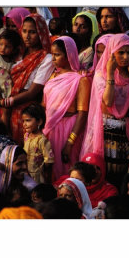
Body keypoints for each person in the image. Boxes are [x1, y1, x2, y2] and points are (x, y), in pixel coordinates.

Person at [81, 33, 129, 187]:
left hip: (127, 134)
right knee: (104, 174)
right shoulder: (101, 74)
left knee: (123, 177)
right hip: (105, 134)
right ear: (111, 53)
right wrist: (110, 73)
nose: (126, 56)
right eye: (121, 52)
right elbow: (108, 102)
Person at [0, 13, 54, 144]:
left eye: (32, 32)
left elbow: (32, 92)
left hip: (24, 111)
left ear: (41, 33)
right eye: (24, 31)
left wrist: (1, 103)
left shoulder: (46, 58)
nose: (27, 36)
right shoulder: (15, 52)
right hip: (2, 106)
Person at [42, 37, 90, 180]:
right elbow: (44, 104)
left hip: (69, 129)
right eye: (52, 54)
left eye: (57, 55)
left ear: (69, 55)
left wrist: (70, 142)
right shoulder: (53, 76)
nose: (53, 59)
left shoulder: (81, 79)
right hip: (50, 127)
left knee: (66, 171)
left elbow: (83, 113)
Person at [22, 104, 54, 184]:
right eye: (23, 121)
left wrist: (41, 170)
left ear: (39, 121)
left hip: (37, 177)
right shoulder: (26, 136)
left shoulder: (42, 140)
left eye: (28, 120)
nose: (24, 124)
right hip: (25, 174)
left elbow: (49, 162)